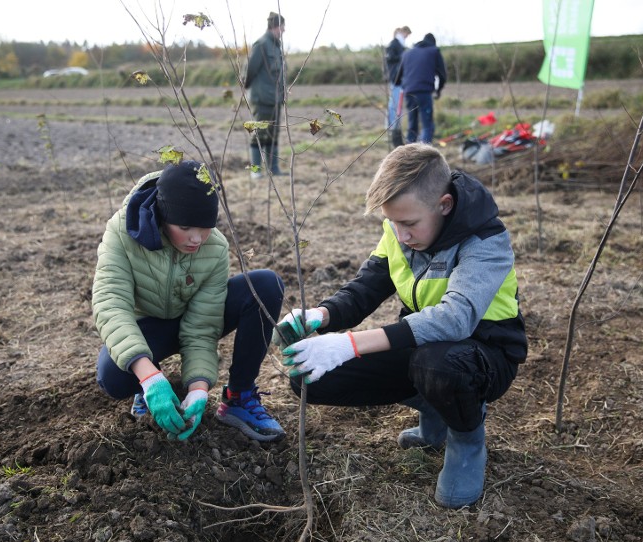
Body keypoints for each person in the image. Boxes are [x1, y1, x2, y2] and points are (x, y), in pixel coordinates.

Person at [275, 143, 527, 508]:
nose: (400, 235)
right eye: (392, 222)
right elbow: (366, 288)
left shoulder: (486, 240)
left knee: (436, 365)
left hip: (485, 354)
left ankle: (467, 441)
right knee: (308, 377)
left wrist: (349, 344)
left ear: (444, 205)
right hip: (425, 350)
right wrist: (320, 315)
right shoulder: (399, 230)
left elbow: (455, 319)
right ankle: (435, 406)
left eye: (409, 223)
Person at [92, 159, 286, 443]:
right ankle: (146, 387)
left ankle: (239, 398)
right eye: (184, 227)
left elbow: (202, 324)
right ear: (162, 215)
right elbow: (111, 303)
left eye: (205, 227)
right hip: (148, 327)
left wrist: (198, 387)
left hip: (189, 319)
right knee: (114, 377)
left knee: (266, 284)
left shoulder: (214, 247)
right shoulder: (124, 231)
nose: (197, 238)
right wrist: (149, 378)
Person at [245, 11, 286, 179]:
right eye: (283, 27)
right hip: (262, 99)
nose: (284, 30)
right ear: (275, 26)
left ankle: (273, 169)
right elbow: (249, 71)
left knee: (273, 135)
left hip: (275, 100)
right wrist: (249, 90)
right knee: (259, 135)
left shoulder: (276, 46)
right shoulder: (261, 45)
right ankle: (256, 172)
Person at [397, 33, 447, 144]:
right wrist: (438, 90)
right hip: (424, 92)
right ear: (433, 43)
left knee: (412, 126)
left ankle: (408, 155)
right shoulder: (434, 51)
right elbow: (442, 75)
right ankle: (424, 154)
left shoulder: (407, 53)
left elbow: (398, 76)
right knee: (427, 125)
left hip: (409, 92)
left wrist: (403, 85)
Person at [383, 25, 411, 148]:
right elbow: (390, 59)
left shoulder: (398, 45)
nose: (407, 37)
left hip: (398, 78)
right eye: (407, 35)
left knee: (394, 103)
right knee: (394, 104)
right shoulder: (394, 45)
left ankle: (394, 127)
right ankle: (393, 128)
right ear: (403, 32)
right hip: (396, 79)